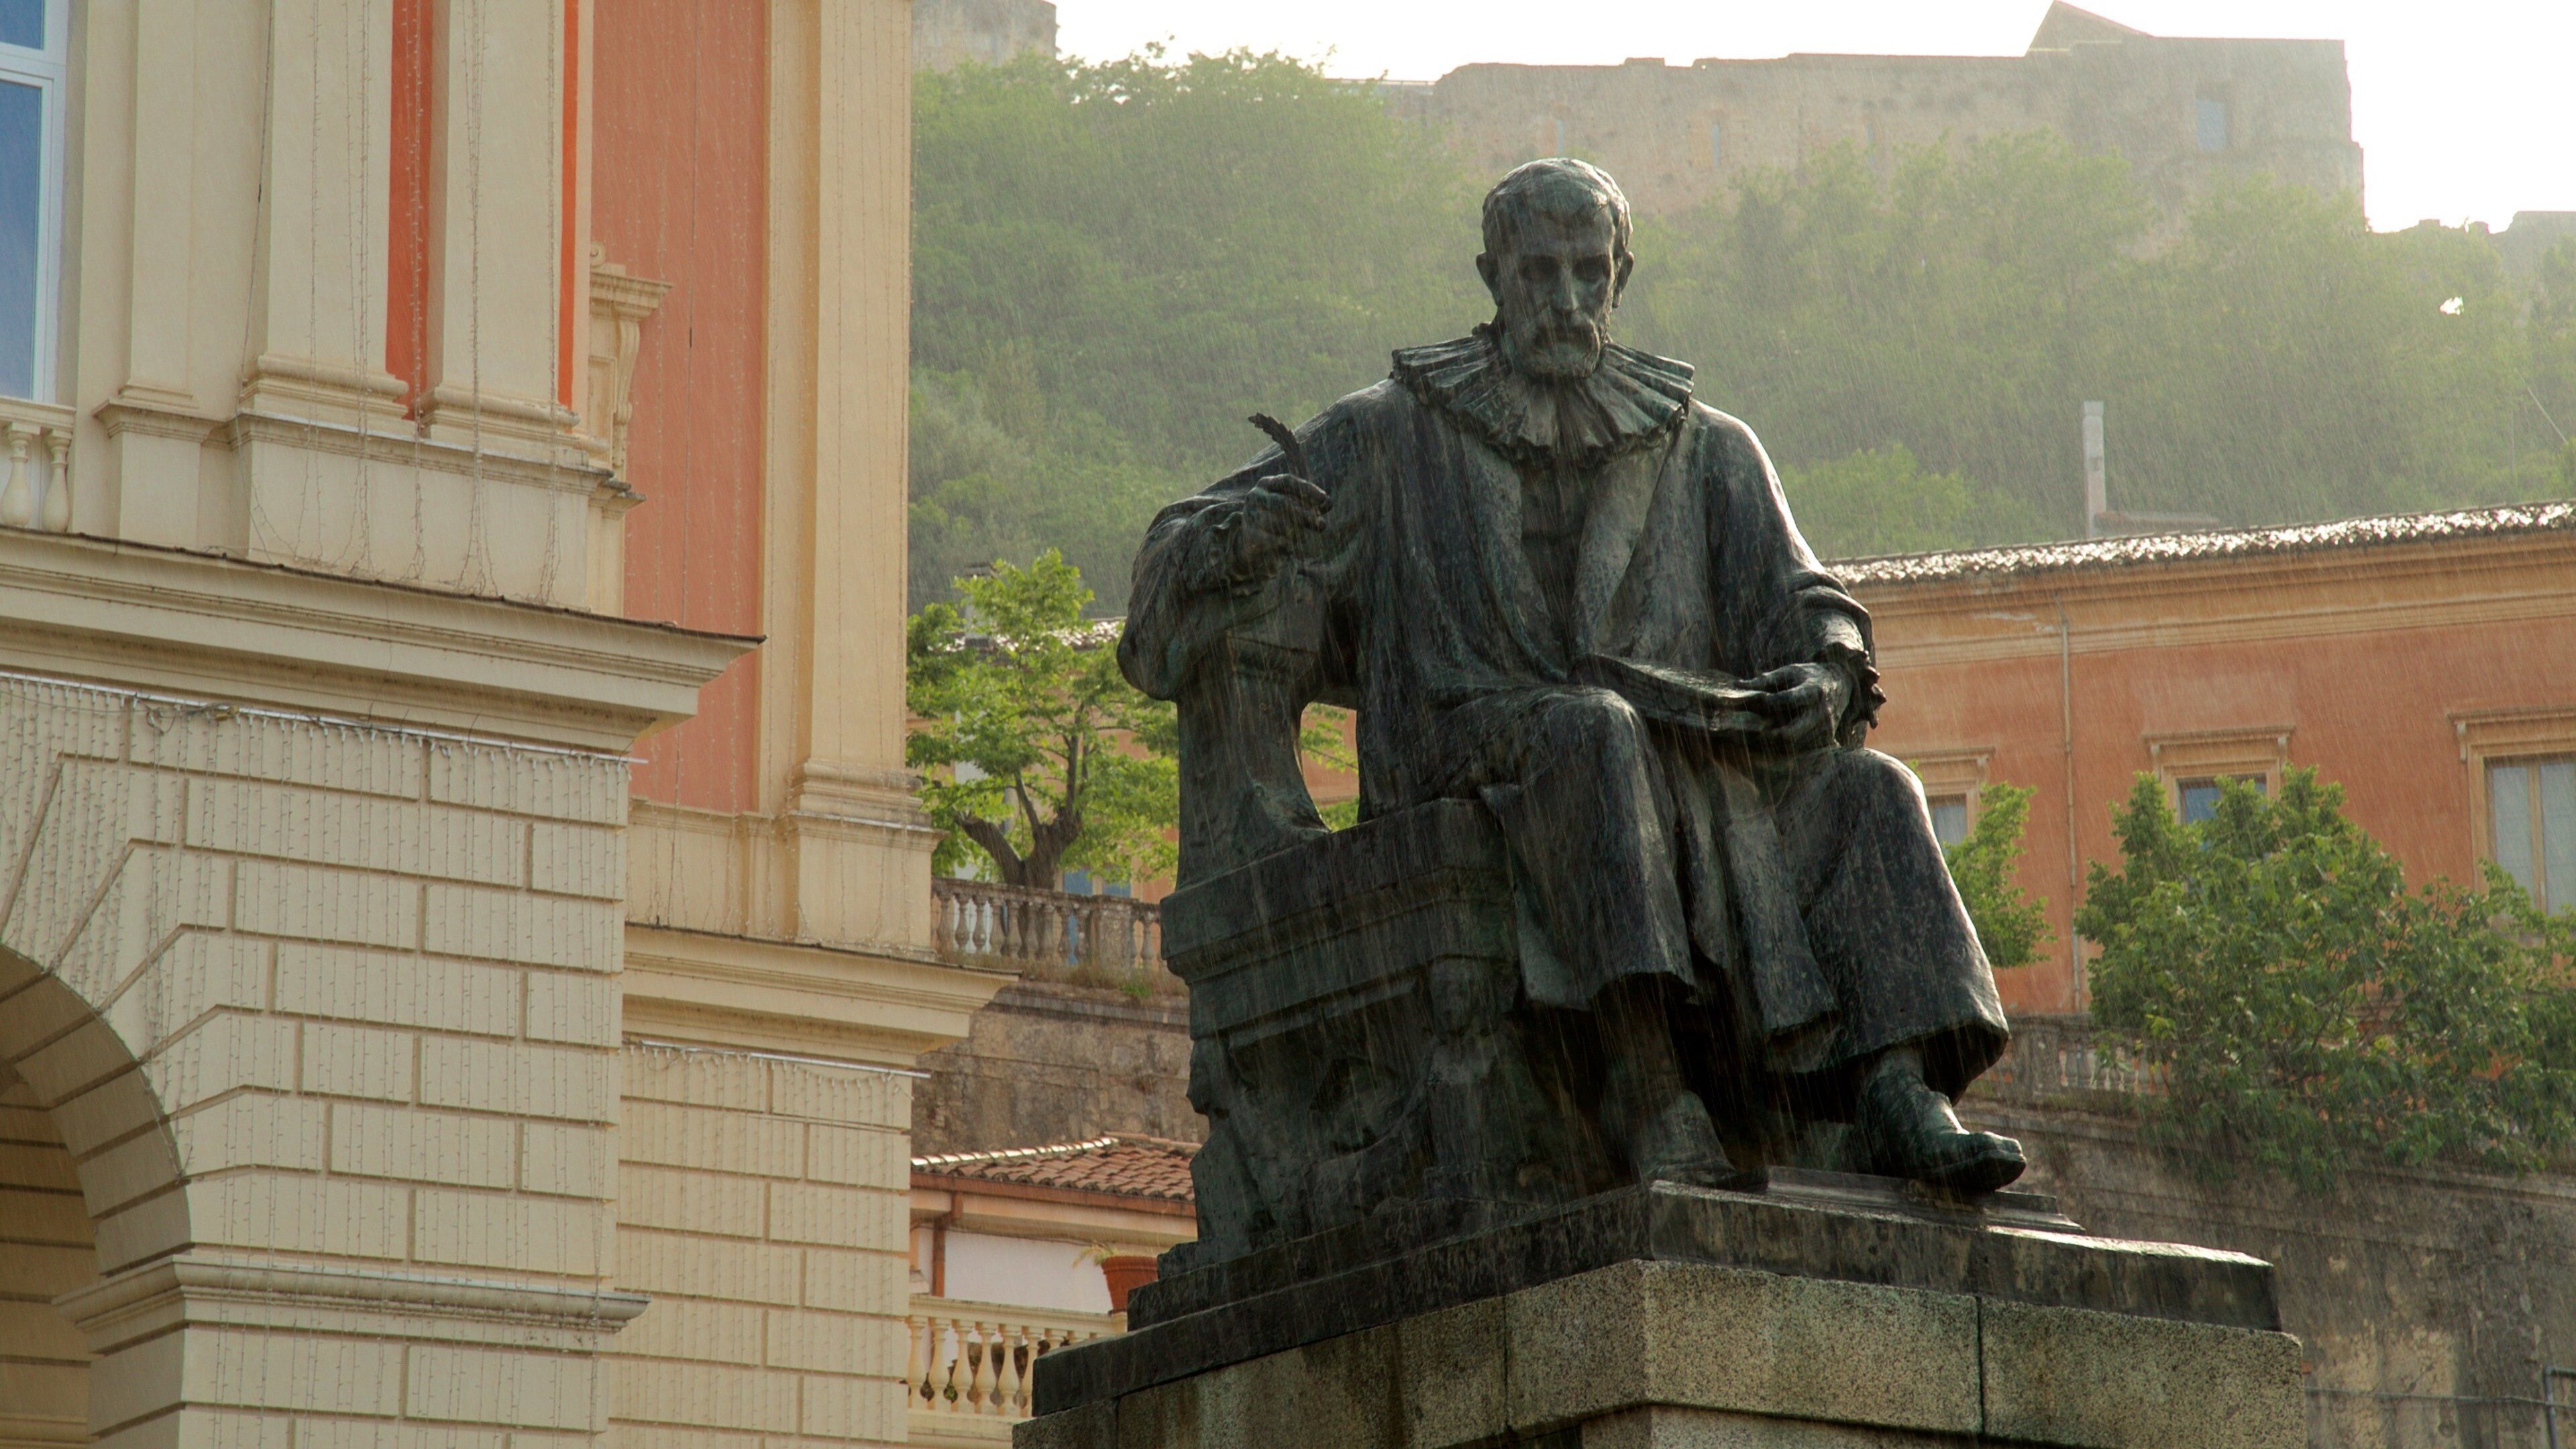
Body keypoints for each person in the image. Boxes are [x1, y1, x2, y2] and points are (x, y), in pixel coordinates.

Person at [1120, 158, 2023, 1193]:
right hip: (1467, 754)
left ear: (1620, 275)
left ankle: (1898, 1089)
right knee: (1594, 731)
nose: (1565, 298)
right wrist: (1236, 540)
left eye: (1588, 273)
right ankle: (1650, 1094)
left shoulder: (1707, 447)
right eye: (1539, 272)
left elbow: (1808, 602)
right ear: (1491, 276)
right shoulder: (1389, 431)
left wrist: (1827, 673)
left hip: (1684, 762)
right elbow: (1162, 586)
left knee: (1873, 789)